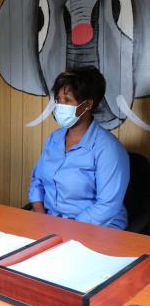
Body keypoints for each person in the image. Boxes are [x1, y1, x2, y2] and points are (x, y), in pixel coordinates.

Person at [28, 66, 129, 229]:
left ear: (87, 104)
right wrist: (40, 216)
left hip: (98, 226)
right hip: (53, 222)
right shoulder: (54, 139)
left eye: (67, 100)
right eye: (58, 100)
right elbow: (37, 181)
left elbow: (107, 206)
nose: (60, 106)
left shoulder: (109, 149)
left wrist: (68, 229)